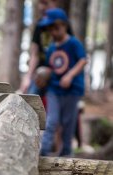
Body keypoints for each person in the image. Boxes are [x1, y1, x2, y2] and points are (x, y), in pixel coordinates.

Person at [38, 9, 87, 156]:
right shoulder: (52, 47)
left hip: (72, 91)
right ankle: (43, 152)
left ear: (64, 26)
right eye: (50, 29)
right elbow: (51, 67)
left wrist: (70, 76)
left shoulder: (73, 43)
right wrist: (43, 74)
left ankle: (66, 153)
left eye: (56, 28)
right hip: (54, 89)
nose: (53, 32)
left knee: (68, 123)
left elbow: (83, 60)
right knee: (51, 120)